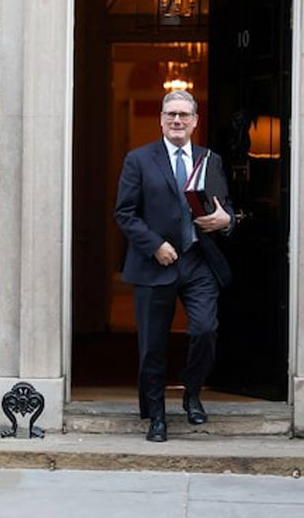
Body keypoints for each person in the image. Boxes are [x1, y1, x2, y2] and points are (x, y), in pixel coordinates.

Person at [114, 90, 233, 443]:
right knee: (152, 345)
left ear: (195, 121)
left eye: (184, 114)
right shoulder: (139, 160)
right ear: (161, 120)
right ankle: (157, 418)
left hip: (199, 262)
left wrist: (226, 220)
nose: (177, 120)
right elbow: (124, 213)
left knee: (204, 331)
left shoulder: (210, 159)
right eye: (170, 115)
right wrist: (155, 245)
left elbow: (224, 208)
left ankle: (192, 392)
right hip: (156, 263)